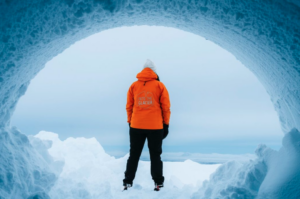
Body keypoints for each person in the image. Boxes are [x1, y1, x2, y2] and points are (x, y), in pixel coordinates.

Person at [123, 59, 171, 191]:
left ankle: (127, 182)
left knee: (134, 155)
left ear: (143, 70)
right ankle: (158, 183)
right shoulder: (160, 86)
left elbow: (129, 106)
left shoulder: (133, 86)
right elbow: (166, 107)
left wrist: (130, 122)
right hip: (155, 127)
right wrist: (166, 125)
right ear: (154, 71)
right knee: (155, 155)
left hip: (136, 126)